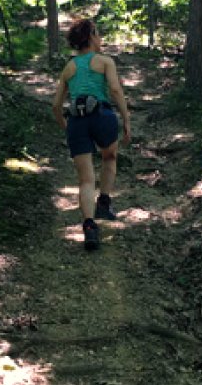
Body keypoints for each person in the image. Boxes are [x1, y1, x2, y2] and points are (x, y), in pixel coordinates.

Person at [52, 19, 131, 251]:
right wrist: (126, 119)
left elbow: (56, 106)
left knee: (85, 179)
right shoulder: (105, 61)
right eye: (98, 33)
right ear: (91, 36)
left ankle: (89, 226)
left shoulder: (69, 67)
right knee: (109, 157)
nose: (100, 38)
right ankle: (104, 202)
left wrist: (67, 127)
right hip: (102, 116)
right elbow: (115, 90)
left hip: (77, 121)